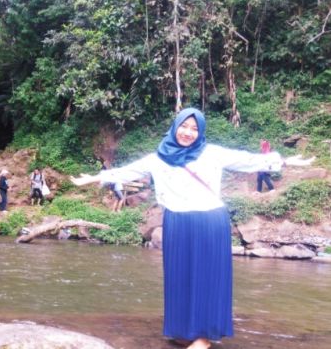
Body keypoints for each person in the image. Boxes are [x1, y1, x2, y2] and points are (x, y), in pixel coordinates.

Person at [70, 108, 314, 349]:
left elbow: (248, 160)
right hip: (177, 221)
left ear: (201, 132)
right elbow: (128, 170)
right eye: (184, 126)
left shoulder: (211, 153)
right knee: (179, 276)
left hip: (208, 220)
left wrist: (284, 160)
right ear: (175, 127)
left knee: (207, 278)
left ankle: (205, 338)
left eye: (194, 128)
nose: (188, 132)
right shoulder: (159, 157)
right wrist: (93, 178)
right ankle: (184, 331)